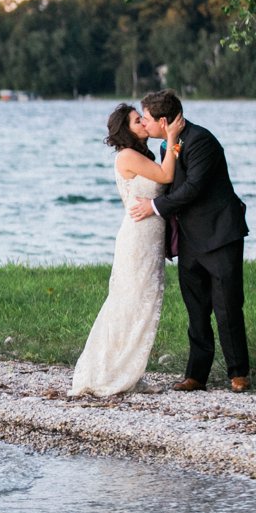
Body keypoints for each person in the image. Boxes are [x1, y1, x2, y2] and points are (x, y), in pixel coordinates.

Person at [129, 89, 251, 393]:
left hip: (219, 235)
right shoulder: (167, 147)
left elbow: (193, 188)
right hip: (190, 241)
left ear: (163, 120)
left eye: (146, 118)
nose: (144, 124)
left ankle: (239, 373)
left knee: (227, 307)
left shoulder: (201, 141)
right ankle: (196, 375)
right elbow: (172, 185)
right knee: (196, 310)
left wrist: (154, 207)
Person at [70, 103, 184, 397]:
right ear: (126, 130)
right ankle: (115, 372)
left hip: (149, 236)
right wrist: (171, 138)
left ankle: (130, 371)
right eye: (137, 121)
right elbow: (166, 177)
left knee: (140, 303)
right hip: (138, 239)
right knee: (132, 303)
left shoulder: (138, 154)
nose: (144, 124)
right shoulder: (129, 156)